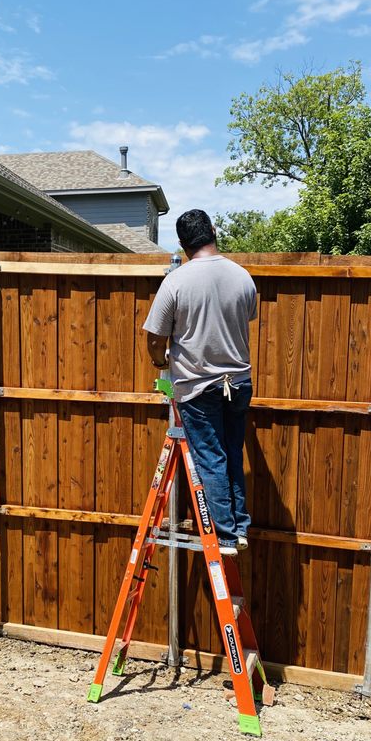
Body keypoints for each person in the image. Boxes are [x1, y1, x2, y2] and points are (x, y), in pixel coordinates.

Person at [143, 209, 257, 557]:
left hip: (198, 387)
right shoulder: (242, 277)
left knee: (211, 458)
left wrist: (160, 361)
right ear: (212, 230)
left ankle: (223, 537)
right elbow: (247, 316)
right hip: (238, 383)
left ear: (181, 243)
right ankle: (239, 528)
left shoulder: (176, 281)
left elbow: (154, 337)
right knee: (232, 453)